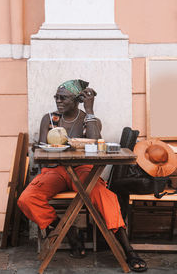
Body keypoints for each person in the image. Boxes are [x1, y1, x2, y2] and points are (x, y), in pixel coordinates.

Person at [18, 79, 147, 272]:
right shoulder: (50, 119)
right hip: (55, 170)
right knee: (27, 199)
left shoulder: (89, 119)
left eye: (63, 98)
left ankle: (128, 250)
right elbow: (43, 151)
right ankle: (68, 231)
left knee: (106, 197)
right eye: (56, 97)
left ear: (77, 100)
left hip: (84, 170)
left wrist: (90, 110)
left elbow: (95, 142)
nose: (58, 101)